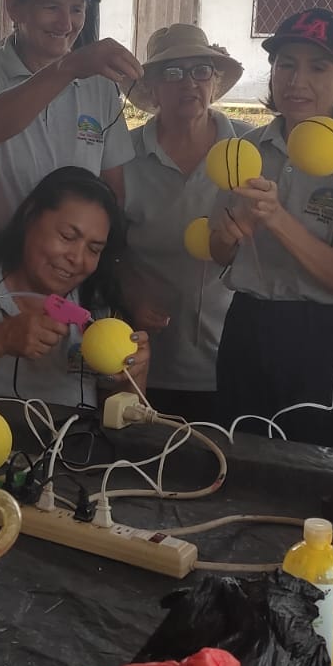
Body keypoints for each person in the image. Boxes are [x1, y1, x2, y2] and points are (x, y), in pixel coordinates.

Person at [209, 9, 333, 451]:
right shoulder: (246, 149)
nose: (296, 80)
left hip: (326, 336)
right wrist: (232, 232)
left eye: (318, 67)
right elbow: (219, 252)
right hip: (247, 326)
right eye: (286, 64)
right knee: (240, 460)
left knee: (325, 474)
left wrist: (276, 217)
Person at [0, 166, 150, 409]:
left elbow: (123, 420)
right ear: (30, 216)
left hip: (72, 437)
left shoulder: (98, 299)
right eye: (67, 236)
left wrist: (133, 377)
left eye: (94, 249)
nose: (77, 258)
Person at [0, 0, 142, 249]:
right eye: (51, 7)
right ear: (14, 7)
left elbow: (112, 188)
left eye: (77, 9)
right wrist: (68, 67)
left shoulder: (101, 85)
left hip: (64, 265)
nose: (66, 24)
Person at [121, 24, 249, 402]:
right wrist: (130, 292)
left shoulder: (250, 148)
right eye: (173, 72)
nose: (189, 83)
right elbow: (105, 245)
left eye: (201, 71)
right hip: (143, 358)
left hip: (234, 357)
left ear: (214, 81)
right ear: (152, 88)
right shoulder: (121, 155)